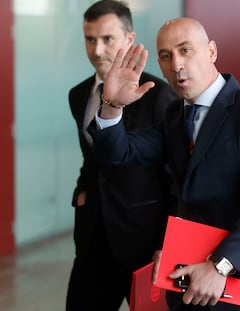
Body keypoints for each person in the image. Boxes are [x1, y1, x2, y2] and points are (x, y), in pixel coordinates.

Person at [88, 17, 240, 311]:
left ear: (211, 52)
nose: (177, 65)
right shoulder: (174, 115)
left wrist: (221, 265)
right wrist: (112, 105)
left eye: (186, 51)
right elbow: (120, 152)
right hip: (194, 284)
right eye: (167, 56)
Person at [66, 1, 177, 310]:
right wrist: (82, 192)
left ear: (129, 40)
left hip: (143, 236)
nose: (97, 50)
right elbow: (91, 156)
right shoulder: (79, 94)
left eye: (107, 39)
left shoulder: (159, 96)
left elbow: (173, 179)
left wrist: (166, 244)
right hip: (93, 236)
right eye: (90, 39)